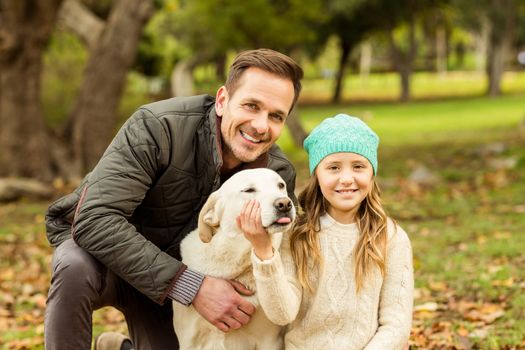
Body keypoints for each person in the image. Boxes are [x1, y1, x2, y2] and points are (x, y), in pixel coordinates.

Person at [44, 48, 303, 350]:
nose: (261, 125)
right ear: (222, 101)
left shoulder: (277, 175)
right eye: (251, 106)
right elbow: (95, 219)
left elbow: (285, 253)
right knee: (73, 265)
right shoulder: (158, 127)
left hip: (174, 289)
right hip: (111, 263)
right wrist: (192, 286)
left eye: (275, 116)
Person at [238, 114, 414, 349]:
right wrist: (263, 250)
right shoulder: (296, 235)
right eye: (333, 167)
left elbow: (396, 326)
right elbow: (282, 314)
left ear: (372, 173)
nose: (346, 178)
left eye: (358, 166)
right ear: (317, 175)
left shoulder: (391, 237)